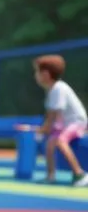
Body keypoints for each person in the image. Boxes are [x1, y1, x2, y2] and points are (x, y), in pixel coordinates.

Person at [19, 55, 88, 186]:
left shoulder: (58, 88)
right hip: (65, 123)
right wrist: (42, 130)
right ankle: (50, 176)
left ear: (45, 74)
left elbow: (52, 118)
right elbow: (52, 119)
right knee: (50, 144)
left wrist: (37, 130)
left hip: (77, 122)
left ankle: (80, 174)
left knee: (61, 141)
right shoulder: (52, 90)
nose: (36, 75)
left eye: (37, 72)